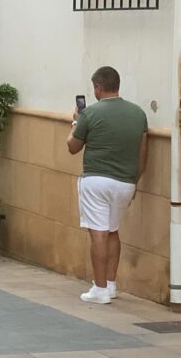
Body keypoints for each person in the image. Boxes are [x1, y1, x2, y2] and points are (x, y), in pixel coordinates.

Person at [67, 66, 148, 304]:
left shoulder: (89, 114)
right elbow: (144, 153)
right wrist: (135, 181)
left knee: (98, 233)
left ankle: (99, 289)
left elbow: (72, 147)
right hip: (126, 182)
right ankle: (111, 285)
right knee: (112, 230)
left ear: (98, 88)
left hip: (96, 181)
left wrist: (74, 122)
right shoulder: (138, 114)